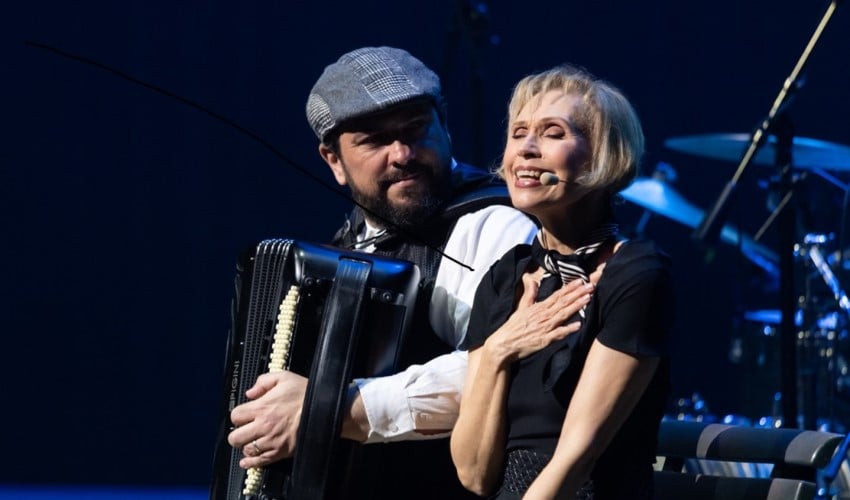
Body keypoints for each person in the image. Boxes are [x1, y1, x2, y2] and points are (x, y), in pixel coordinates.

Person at [225, 46, 561, 499]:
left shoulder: (496, 224)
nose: (402, 153)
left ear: (445, 126)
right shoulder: (347, 243)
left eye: (416, 129)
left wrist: (327, 408)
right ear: (333, 161)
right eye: (374, 141)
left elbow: (497, 371)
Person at [450, 64, 673, 499]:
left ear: (603, 157)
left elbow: (578, 455)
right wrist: (499, 350)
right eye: (518, 134)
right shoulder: (505, 277)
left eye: (553, 133)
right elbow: (473, 472)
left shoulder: (637, 273)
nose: (527, 149)